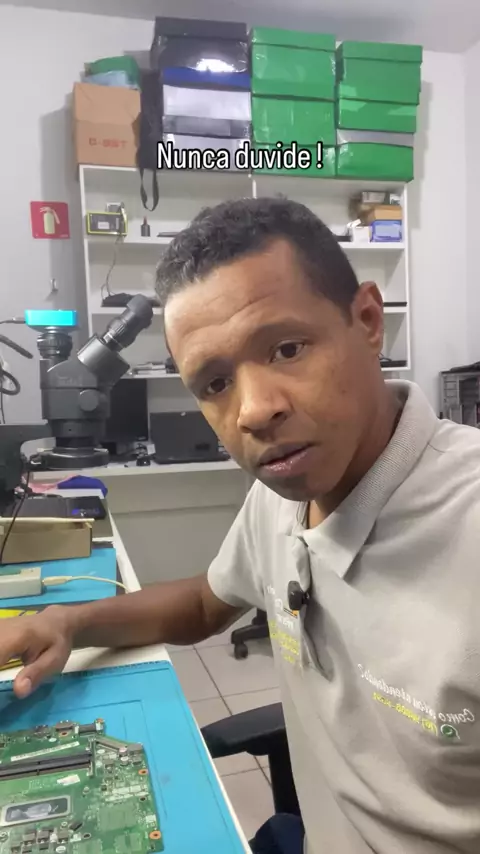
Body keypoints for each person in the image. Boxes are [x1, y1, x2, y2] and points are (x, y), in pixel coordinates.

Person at [1, 197, 480, 854]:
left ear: (368, 321)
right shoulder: (283, 491)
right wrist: (68, 623)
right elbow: (207, 601)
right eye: (215, 383)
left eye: (287, 348)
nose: (254, 410)